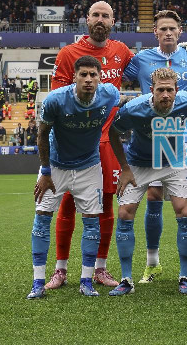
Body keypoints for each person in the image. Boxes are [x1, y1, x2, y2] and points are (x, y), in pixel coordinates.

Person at [45, 0, 134, 290]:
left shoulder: (122, 51)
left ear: (113, 21)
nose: (100, 20)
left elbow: (149, 67)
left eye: (105, 16)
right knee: (68, 202)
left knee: (105, 204)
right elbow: (57, 99)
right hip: (76, 140)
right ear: (87, 19)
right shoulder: (68, 53)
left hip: (107, 140)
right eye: (95, 14)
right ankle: (60, 269)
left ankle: (100, 268)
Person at [124, 10, 187, 284]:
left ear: (180, 31)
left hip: (185, 137)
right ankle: (152, 263)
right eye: (163, 29)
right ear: (155, 33)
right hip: (150, 137)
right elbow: (115, 73)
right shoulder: (141, 59)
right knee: (153, 197)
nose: (168, 33)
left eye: (173, 28)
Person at [27, 55, 121, 299]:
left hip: (89, 167)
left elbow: (123, 108)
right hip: (56, 166)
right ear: (74, 77)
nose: (88, 79)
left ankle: (86, 281)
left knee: (92, 222)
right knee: (42, 219)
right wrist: (45, 172)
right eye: (83, 74)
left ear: (100, 78)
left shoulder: (109, 94)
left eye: (93, 75)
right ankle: (38, 283)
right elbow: (42, 134)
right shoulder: (55, 100)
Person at [107, 68, 187, 296]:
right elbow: (113, 133)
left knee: (185, 212)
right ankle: (126, 280)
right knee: (125, 213)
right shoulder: (134, 108)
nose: (165, 95)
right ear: (152, 90)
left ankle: (185, 277)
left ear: (177, 90)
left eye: (170, 90)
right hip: (139, 163)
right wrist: (125, 168)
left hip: (174, 160)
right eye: (160, 90)